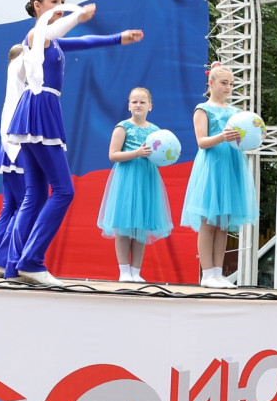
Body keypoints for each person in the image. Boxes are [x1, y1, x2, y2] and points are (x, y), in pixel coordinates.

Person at [3, 0, 143, 287]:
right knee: (64, 191)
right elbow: (55, 30)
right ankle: (31, 261)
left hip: (36, 112)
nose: (60, 6)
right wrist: (77, 16)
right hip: (39, 111)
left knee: (36, 195)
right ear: (37, 6)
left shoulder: (51, 42)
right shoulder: (36, 36)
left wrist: (118, 38)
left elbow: (84, 42)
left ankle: (13, 267)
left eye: (63, 1)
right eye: (54, 2)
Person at [181, 63, 258, 288]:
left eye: (231, 84)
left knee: (223, 223)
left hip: (231, 165)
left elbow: (244, 138)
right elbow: (202, 141)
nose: (228, 88)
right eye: (224, 83)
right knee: (208, 222)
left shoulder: (235, 113)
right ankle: (207, 273)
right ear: (211, 83)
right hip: (212, 165)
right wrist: (222, 137)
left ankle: (217, 273)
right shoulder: (203, 109)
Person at [97, 86, 173, 283]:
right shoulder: (123, 127)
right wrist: (136, 153)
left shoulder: (156, 131)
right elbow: (113, 155)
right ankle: (124, 271)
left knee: (141, 227)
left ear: (150, 106)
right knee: (123, 227)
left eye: (142, 102)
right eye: (134, 102)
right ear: (129, 106)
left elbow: (160, 156)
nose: (138, 105)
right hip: (127, 179)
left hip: (147, 179)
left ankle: (136, 271)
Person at [0, 42, 28, 278]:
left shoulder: (15, 88)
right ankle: (4, 260)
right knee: (23, 205)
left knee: (10, 206)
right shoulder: (23, 88)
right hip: (18, 149)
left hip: (9, 147)